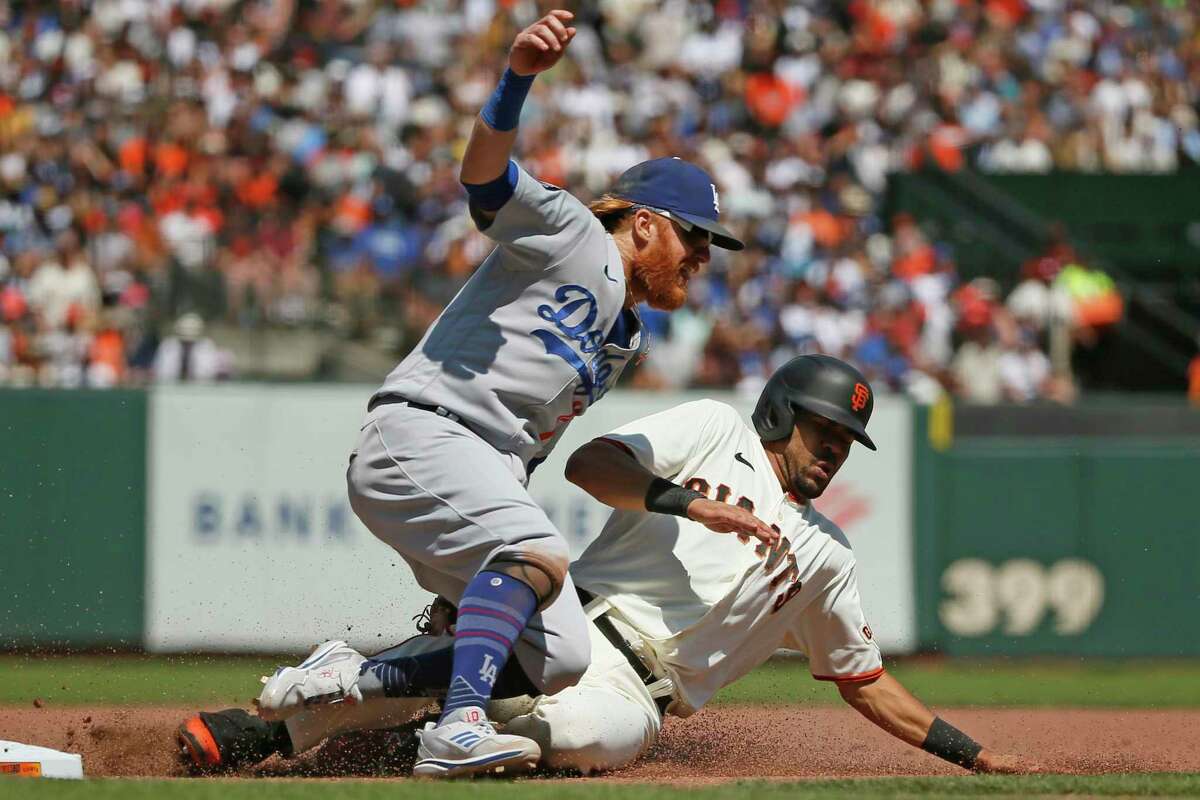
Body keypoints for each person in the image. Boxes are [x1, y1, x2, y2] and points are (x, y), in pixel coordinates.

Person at [178, 9, 764, 780]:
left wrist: (489, 589)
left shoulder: (626, 339)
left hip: (480, 465)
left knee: (558, 655)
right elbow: (484, 177)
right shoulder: (573, 233)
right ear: (647, 225)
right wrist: (517, 76)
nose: (701, 259)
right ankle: (455, 732)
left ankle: (344, 679)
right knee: (539, 552)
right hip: (425, 430)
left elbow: (532, 447)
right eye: (694, 239)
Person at [177, 356, 1036, 776]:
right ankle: (306, 703)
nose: (833, 453)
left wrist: (971, 753)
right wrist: (687, 501)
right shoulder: (714, 430)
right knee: (482, 684)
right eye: (822, 432)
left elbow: (862, 679)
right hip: (577, 618)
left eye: (846, 443)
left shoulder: (828, 556)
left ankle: (318, 751)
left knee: (569, 739)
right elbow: (594, 465)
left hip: (645, 697)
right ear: (779, 413)